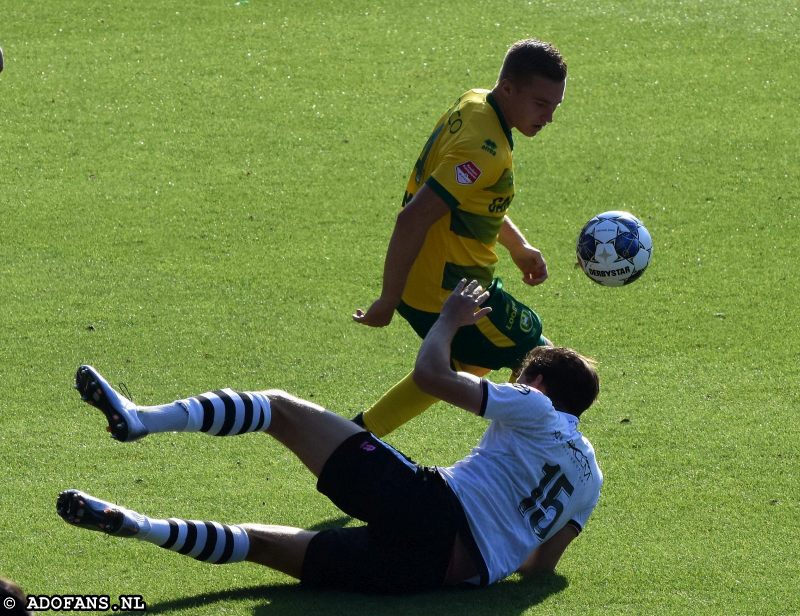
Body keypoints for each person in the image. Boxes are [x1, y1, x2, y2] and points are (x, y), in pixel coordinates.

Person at [58, 280, 602, 594]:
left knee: (276, 409)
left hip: (430, 506)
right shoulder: (591, 478)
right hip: (438, 574)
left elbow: (432, 377)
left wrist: (449, 321)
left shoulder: (536, 406)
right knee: (256, 543)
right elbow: (539, 568)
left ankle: (140, 419)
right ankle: (141, 526)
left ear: (536, 384)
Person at [352, 38, 569, 437]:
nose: (549, 117)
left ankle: (357, 434)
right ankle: (543, 460)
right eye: (541, 104)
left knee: (466, 366)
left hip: (429, 282)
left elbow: (464, 200)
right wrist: (387, 298)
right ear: (508, 89)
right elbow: (412, 219)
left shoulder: (473, 103)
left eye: (555, 105)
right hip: (452, 293)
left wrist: (517, 246)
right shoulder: (485, 151)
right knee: (553, 370)